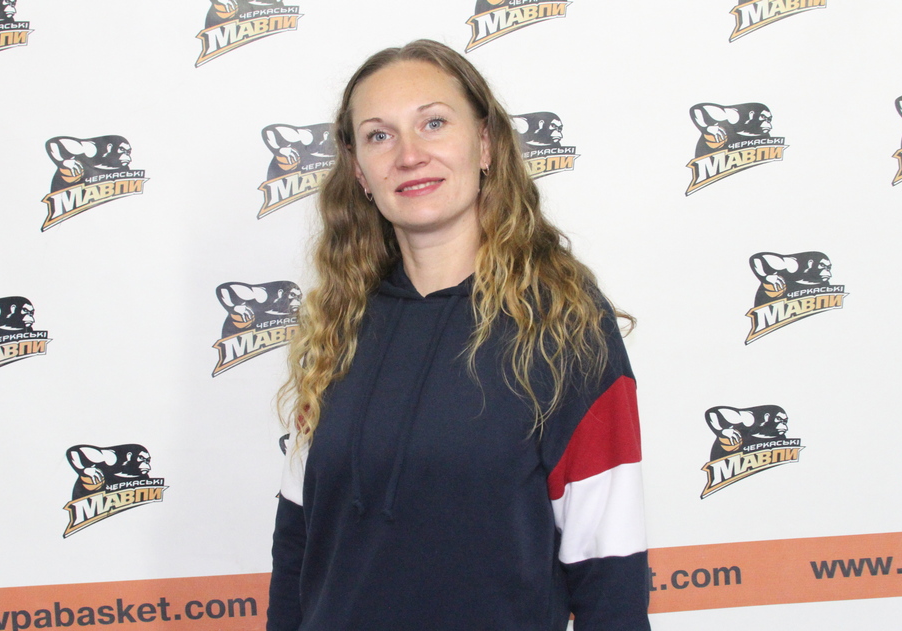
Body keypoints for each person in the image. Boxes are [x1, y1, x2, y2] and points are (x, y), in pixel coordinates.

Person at [268, 39, 650, 631]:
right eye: (379, 135)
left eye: (434, 123)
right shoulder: (337, 324)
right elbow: (297, 539)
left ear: (486, 144)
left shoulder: (565, 323)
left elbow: (611, 568)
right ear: (359, 171)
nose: (409, 155)